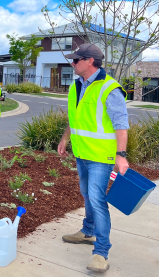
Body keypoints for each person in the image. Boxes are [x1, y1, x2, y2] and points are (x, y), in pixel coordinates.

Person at [57, 43, 129, 273]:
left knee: (97, 199)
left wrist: (121, 155)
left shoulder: (110, 88)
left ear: (90, 61)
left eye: (76, 60)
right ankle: (87, 231)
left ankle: (101, 253)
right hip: (82, 153)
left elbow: (121, 125)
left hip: (101, 155)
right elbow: (75, 118)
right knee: (87, 195)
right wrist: (65, 139)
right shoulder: (77, 86)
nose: (72, 63)